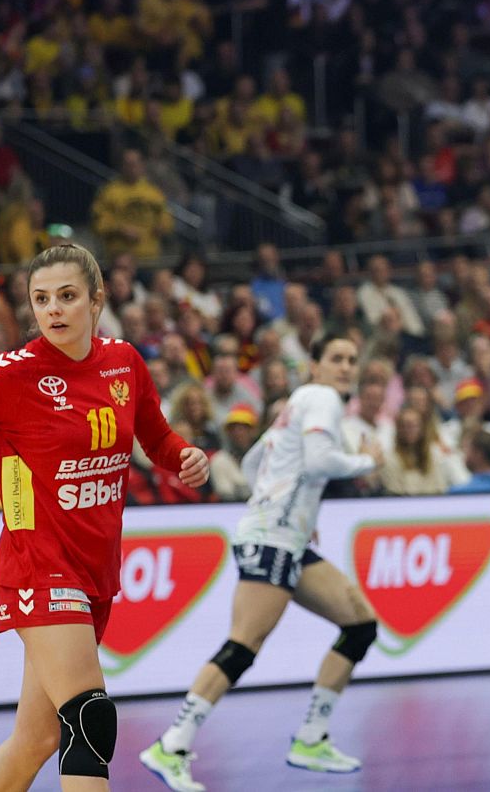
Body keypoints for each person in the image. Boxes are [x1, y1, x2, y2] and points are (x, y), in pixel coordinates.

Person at [0, 243, 207, 792]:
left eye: (67, 297)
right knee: (90, 717)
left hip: (95, 569)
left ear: (97, 301)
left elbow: (156, 437)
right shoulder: (11, 375)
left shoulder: (124, 362)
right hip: (37, 567)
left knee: (37, 739)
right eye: (41, 299)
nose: (53, 310)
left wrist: (182, 456)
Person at [142, 336, 383, 791]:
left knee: (360, 624)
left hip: (285, 537)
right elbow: (317, 460)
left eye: (353, 359)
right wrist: (363, 461)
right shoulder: (323, 398)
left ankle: (311, 737)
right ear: (314, 365)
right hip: (273, 538)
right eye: (336, 359)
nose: (347, 367)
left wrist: (289, 509)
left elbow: (255, 462)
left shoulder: (297, 403)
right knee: (244, 645)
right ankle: (170, 745)